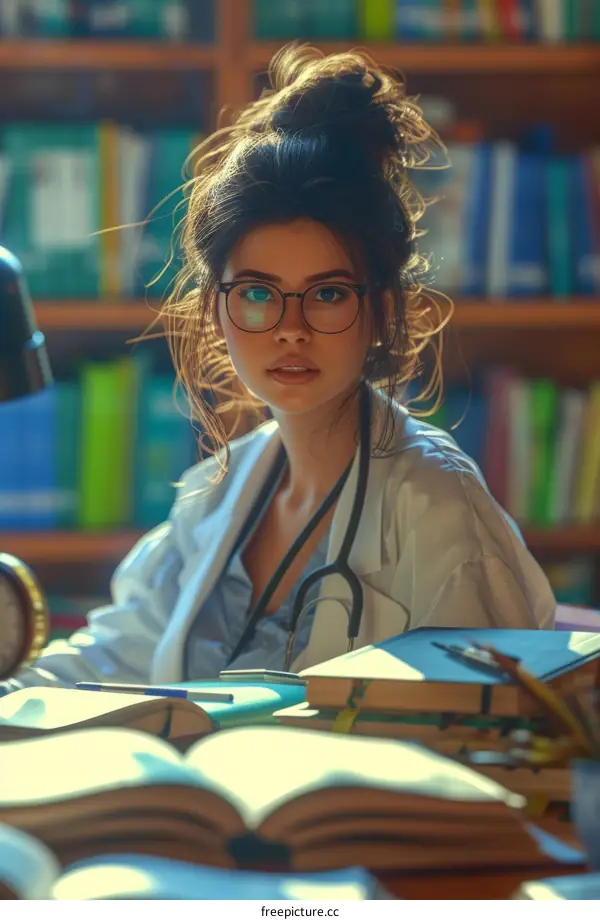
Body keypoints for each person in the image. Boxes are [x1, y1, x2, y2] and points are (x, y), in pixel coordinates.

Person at [0, 44, 555, 697]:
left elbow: (489, 735)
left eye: (326, 294)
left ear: (378, 308)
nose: (291, 329)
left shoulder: (436, 508)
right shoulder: (215, 495)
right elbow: (108, 660)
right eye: (259, 293)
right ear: (216, 309)